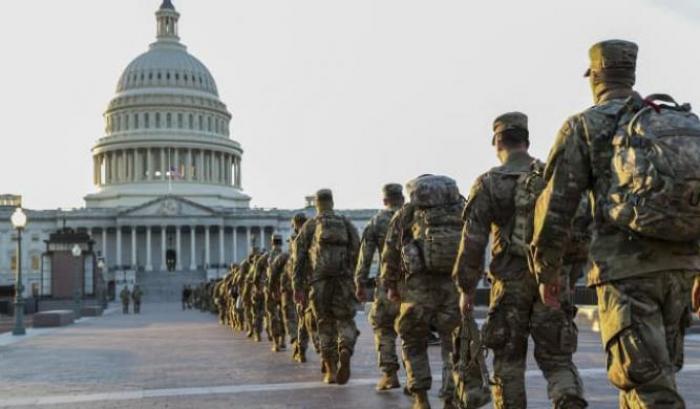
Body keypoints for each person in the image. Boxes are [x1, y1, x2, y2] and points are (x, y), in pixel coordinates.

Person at [531, 39, 700, 408]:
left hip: (625, 275)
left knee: (649, 388)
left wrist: (547, 271)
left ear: (594, 76)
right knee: (652, 376)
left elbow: (556, 207)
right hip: (679, 272)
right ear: (631, 74)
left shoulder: (585, 125)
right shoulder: (671, 122)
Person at [453, 112, 586, 408]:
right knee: (557, 360)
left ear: (496, 143)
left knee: (509, 362)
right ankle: (567, 398)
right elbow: (577, 229)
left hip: (509, 283)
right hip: (551, 280)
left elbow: (473, 241)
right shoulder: (551, 177)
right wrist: (565, 277)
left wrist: (466, 288)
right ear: (526, 141)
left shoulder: (489, 183)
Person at [381, 175, 464, 409]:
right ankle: (450, 397)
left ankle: (420, 397)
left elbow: (391, 250)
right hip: (452, 287)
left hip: (416, 288)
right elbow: (474, 243)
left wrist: (390, 285)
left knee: (413, 341)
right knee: (453, 345)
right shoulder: (460, 209)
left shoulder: (407, 213)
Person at [292, 189, 360, 385]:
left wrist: (298, 287)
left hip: (319, 282)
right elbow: (358, 251)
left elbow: (299, 259)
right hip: (343, 281)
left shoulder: (310, 225)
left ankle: (330, 370)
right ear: (332, 202)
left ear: (316, 204)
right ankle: (345, 349)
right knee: (345, 320)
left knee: (324, 323)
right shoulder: (346, 223)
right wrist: (352, 276)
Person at [355, 183, 405, 391]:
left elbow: (365, 257)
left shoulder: (376, 222)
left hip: (387, 283)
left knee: (383, 327)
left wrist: (359, 282)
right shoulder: (414, 217)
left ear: (384, 200)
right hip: (416, 283)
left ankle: (389, 374)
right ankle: (416, 379)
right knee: (414, 332)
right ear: (402, 199)